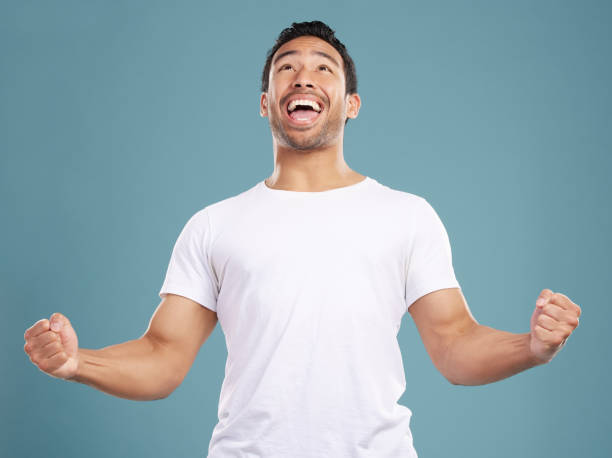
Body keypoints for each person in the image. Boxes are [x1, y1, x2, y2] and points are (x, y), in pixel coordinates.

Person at [24, 20, 582, 458]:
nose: (303, 77)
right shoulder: (214, 226)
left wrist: (530, 348)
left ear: (351, 104)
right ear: (267, 103)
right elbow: (162, 357)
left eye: (324, 68)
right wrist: (79, 363)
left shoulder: (407, 216)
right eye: (286, 69)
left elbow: (455, 345)